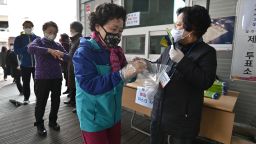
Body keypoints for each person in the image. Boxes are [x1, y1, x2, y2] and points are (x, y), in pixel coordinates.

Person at [72, 3, 146, 144]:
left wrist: (134, 69)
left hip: (114, 114)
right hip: (92, 118)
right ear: (98, 26)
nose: (117, 34)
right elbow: (90, 85)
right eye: (113, 29)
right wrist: (124, 73)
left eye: (120, 31)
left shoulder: (116, 51)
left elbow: (126, 78)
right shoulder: (84, 53)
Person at [149, 5, 217, 144]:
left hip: (183, 121)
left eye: (179, 25)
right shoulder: (170, 47)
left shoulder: (207, 52)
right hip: (159, 113)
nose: (175, 28)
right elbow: (157, 66)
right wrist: (145, 65)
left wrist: (182, 61)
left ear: (192, 29)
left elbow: (205, 81)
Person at [28, 21, 69, 136]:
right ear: (44, 31)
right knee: (41, 102)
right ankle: (40, 124)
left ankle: (53, 121)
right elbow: (30, 49)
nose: (53, 34)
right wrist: (49, 50)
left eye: (55, 33)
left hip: (56, 77)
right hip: (42, 78)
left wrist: (61, 54)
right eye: (50, 32)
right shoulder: (38, 41)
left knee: (56, 101)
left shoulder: (58, 44)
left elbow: (68, 57)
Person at [14, 20, 38, 104]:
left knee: (38, 82)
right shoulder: (19, 38)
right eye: (26, 27)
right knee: (26, 82)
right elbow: (16, 51)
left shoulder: (37, 38)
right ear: (23, 28)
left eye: (29, 26)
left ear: (32, 27)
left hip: (37, 65)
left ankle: (38, 98)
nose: (28, 28)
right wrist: (27, 47)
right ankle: (26, 98)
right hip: (25, 65)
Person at [63, 21, 83, 113]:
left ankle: (77, 105)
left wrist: (62, 55)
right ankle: (72, 101)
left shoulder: (80, 40)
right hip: (71, 65)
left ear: (75, 30)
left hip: (77, 66)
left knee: (76, 86)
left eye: (71, 29)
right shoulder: (73, 40)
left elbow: (74, 54)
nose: (70, 30)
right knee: (71, 83)